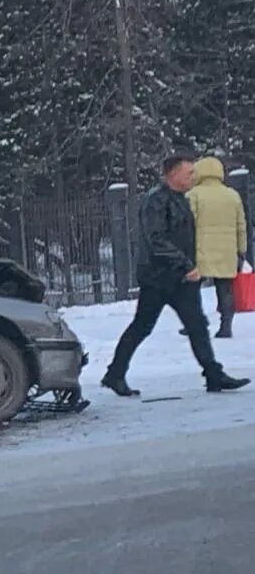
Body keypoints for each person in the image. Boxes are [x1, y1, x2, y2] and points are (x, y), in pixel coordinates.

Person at [103, 152, 249, 397]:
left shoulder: (181, 199)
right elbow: (156, 240)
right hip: (158, 278)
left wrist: (191, 264)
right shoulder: (156, 201)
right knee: (142, 326)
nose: (194, 176)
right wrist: (185, 265)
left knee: (197, 325)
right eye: (189, 173)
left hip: (181, 278)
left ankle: (214, 374)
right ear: (173, 175)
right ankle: (114, 374)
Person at [188, 155, 249, 339]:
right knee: (225, 288)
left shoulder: (193, 195)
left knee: (192, 289)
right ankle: (226, 324)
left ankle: (195, 322)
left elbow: (188, 224)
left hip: (200, 250)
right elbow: (241, 225)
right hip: (227, 250)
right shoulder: (232, 195)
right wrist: (241, 250)